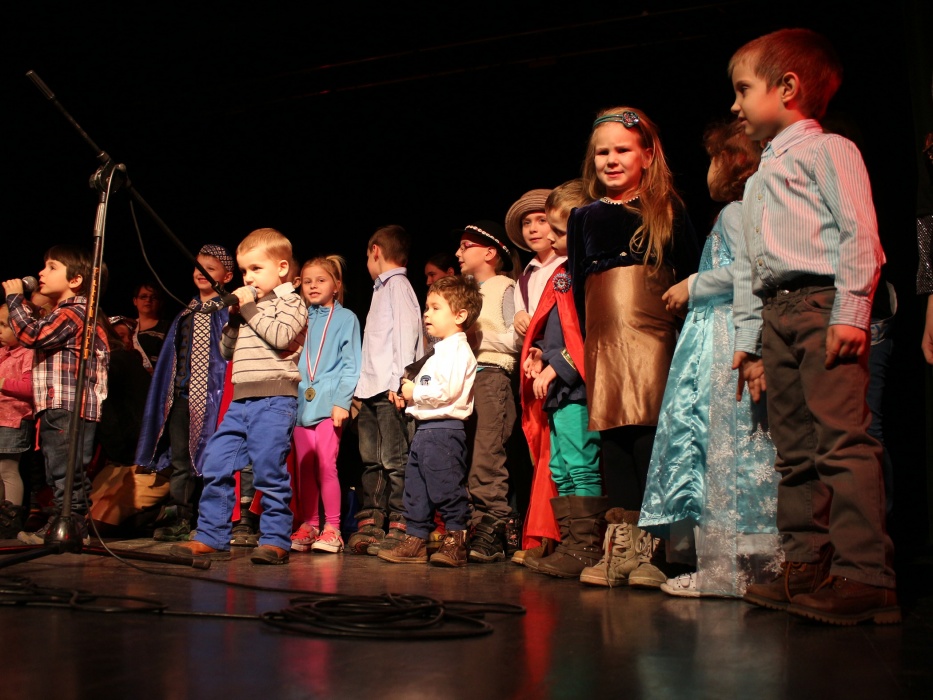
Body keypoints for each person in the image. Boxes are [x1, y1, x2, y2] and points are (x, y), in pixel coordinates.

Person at [729, 28, 899, 624]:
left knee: (841, 441)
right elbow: (751, 266)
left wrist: (852, 311)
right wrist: (751, 343)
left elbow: (860, 232)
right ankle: (806, 563)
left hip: (823, 306)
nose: (735, 105)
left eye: (743, 89)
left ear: (787, 87)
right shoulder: (757, 179)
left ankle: (865, 574)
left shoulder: (830, 151)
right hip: (778, 313)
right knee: (794, 450)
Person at [635, 121, 781, 598]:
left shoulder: (737, 213)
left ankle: (730, 569)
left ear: (734, 164)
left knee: (725, 443)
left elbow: (747, 270)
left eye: (715, 159)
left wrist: (693, 285)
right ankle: (744, 565)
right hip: (717, 329)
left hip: (727, 332)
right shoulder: (740, 213)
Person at [567, 106, 701, 585]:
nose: (611, 160)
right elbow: (579, 286)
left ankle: (658, 546)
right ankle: (622, 544)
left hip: (655, 338)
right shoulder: (583, 217)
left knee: (652, 438)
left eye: (622, 150)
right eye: (602, 152)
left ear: (647, 155)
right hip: (605, 342)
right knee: (613, 438)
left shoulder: (667, 210)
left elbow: (692, 273)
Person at [171, 228, 308, 564]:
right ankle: (211, 535)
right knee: (216, 462)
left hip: (274, 401)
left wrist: (248, 310)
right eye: (245, 270)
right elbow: (226, 351)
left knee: (268, 471)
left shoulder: (292, 302)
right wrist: (233, 321)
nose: (248, 277)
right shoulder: (250, 307)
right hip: (240, 402)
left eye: (256, 269)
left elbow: (281, 336)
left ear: (282, 268)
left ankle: (275, 539)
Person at [519, 180, 605, 578]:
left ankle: (586, 546)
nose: (551, 238)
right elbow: (558, 331)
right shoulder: (565, 274)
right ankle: (572, 542)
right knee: (561, 468)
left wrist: (557, 366)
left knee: (580, 464)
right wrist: (540, 354)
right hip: (559, 390)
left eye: (558, 230)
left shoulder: (588, 273)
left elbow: (587, 335)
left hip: (577, 387)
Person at [3, 245, 110, 544]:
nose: (41, 273)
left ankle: (71, 526)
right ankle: (64, 524)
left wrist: (15, 299)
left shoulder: (75, 312)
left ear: (75, 280)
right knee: (58, 470)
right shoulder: (65, 313)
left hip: (69, 403)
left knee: (67, 470)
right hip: (57, 403)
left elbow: (32, 335)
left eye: (51, 267)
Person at [378, 275, 483, 566]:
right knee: (417, 489)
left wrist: (415, 393)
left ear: (459, 315)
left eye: (436, 308)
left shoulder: (458, 350)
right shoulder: (438, 352)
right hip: (425, 430)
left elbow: (447, 391)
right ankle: (416, 539)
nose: (427, 314)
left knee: (446, 486)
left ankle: (456, 540)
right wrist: (408, 394)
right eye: (427, 308)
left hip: (444, 431)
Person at [134, 245, 234, 542]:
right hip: (182, 398)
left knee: (215, 459)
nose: (202, 274)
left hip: (216, 400)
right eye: (198, 268)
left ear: (227, 276)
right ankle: (180, 516)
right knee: (182, 461)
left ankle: (214, 520)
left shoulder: (228, 311)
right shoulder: (186, 313)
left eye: (210, 269)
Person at [348, 225, 423, 555]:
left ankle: (401, 522)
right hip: (371, 390)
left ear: (375, 251)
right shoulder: (382, 289)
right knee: (371, 461)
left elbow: (406, 337)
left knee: (395, 460)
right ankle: (372, 521)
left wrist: (399, 382)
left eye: (367, 255)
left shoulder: (398, 286)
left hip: (389, 390)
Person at [456, 219, 521, 562]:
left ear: (490, 253)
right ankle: (475, 526)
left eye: (466, 246)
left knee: (487, 456)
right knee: (466, 457)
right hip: (463, 378)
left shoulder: (504, 287)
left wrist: (476, 337)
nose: (458, 253)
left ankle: (494, 525)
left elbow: (516, 338)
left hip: (492, 375)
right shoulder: (464, 292)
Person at [290, 255, 361, 554]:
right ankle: (310, 524)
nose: (313, 285)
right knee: (304, 467)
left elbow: (352, 364)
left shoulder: (346, 318)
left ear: (336, 285)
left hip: (329, 403)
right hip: (301, 404)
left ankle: (333, 528)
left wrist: (342, 401)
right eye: (307, 281)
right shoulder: (300, 317)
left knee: (325, 464)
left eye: (321, 280)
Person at [88, 316, 167, 536]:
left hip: (146, 467)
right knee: (83, 518)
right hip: (120, 464)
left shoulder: (119, 361)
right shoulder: (106, 365)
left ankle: (164, 513)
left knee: (98, 525)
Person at [0, 301, 35, 538]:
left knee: (8, 469)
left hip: (14, 419)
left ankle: (11, 521)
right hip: (1, 417)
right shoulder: (3, 353)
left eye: (4, 325)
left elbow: (30, 388)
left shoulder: (28, 353)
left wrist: (3, 383)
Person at [131, 281, 170, 374]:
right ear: (135, 301)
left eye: (154, 297)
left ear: (159, 303)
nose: (148, 300)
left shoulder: (168, 328)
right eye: (143, 297)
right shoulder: (127, 327)